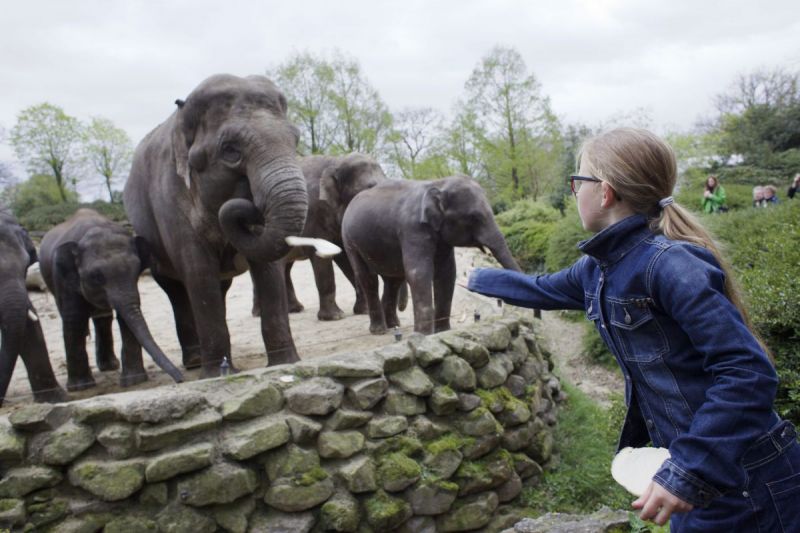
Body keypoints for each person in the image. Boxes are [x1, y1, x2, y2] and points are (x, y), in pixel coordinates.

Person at [466, 128, 800, 531]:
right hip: (691, 476)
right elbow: (541, 288)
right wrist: (474, 278)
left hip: (748, 479)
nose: (574, 193)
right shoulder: (597, 269)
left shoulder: (671, 265)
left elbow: (749, 372)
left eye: (577, 182)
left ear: (604, 193)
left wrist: (689, 469)